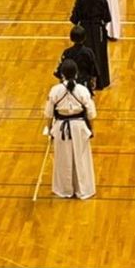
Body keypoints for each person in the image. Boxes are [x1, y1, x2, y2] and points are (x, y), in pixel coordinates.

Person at [44, 59, 98, 200]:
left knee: (63, 159)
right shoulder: (82, 90)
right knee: (81, 158)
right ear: (76, 73)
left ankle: (65, 190)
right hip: (80, 127)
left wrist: (49, 129)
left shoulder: (55, 91)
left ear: (62, 74)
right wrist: (92, 129)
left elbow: (49, 113)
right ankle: (83, 189)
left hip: (61, 128)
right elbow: (91, 113)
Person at [69, 0, 111, 90]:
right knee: (100, 55)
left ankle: (84, 83)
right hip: (99, 30)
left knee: (84, 55)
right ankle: (101, 82)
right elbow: (107, 18)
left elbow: (74, 19)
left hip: (84, 30)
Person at [54, 25, 100, 94]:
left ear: (71, 38)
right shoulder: (89, 52)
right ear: (84, 37)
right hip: (85, 83)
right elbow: (93, 68)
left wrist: (61, 81)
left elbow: (61, 69)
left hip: (70, 84)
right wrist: (93, 81)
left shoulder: (67, 52)